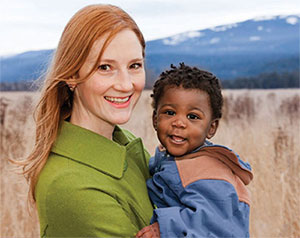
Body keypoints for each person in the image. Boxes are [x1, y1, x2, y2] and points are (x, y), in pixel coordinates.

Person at [20, 4, 153, 237]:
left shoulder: (124, 142)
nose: (125, 84)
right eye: (105, 67)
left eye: (134, 66)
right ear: (72, 75)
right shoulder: (72, 186)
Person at [136, 63, 254, 238]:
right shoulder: (169, 158)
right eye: (169, 112)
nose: (179, 123)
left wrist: (164, 227)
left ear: (211, 128)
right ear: (155, 119)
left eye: (193, 117)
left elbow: (216, 224)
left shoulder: (210, 174)